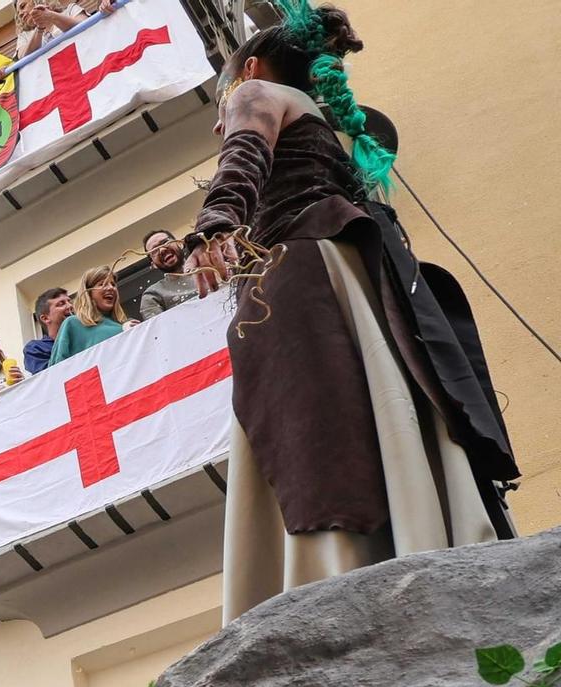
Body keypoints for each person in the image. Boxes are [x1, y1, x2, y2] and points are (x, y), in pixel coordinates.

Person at [192, 4, 513, 621]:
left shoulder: (256, 91)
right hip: (356, 275)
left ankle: (331, 573)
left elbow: (243, 160)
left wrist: (217, 222)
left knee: (310, 419)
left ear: (251, 68)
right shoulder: (332, 127)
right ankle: (417, 534)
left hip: (301, 271)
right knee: (375, 407)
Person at [48, 265, 135, 365]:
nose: (111, 288)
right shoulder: (73, 324)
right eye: (102, 284)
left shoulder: (127, 325)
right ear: (88, 293)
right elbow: (55, 369)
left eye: (113, 284)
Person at [137, 228, 203, 319]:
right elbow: (159, 329)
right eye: (155, 251)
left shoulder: (210, 268)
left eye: (165, 242)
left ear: (179, 243)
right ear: (153, 265)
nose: (162, 250)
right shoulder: (153, 294)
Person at [22, 287, 74, 376]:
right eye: (61, 304)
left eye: (70, 302)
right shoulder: (35, 349)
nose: (70, 306)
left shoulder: (86, 333)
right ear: (45, 318)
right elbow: (48, 379)